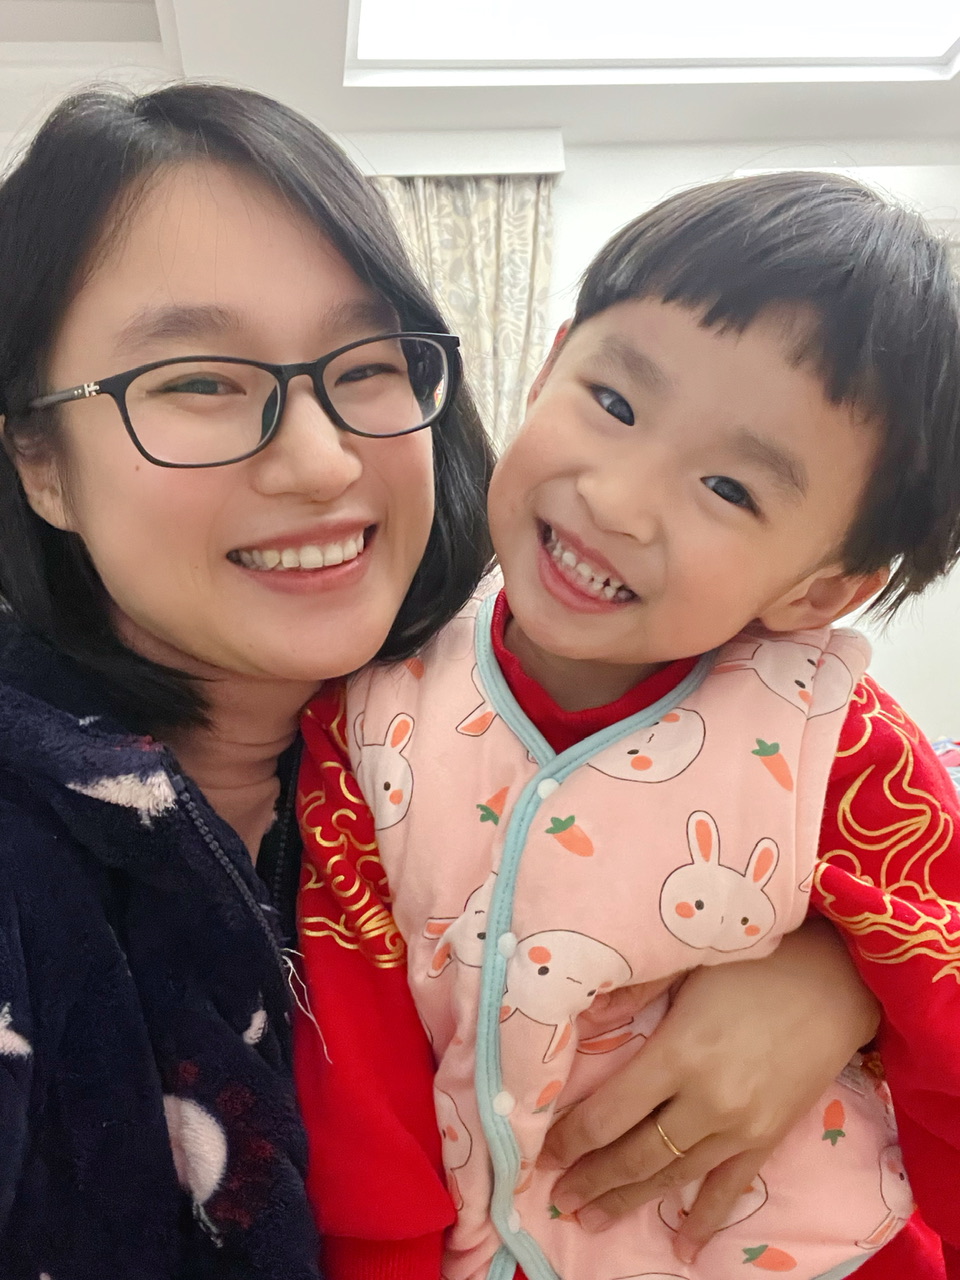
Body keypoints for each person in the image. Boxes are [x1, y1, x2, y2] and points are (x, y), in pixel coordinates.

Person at [0, 82, 880, 1279]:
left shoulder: (520, 702)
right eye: (199, 380)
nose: (320, 460)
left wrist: (843, 969)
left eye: (365, 364)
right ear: (39, 459)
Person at [296, 172, 960, 1280]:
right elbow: (352, 1047)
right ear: (549, 364)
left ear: (819, 589)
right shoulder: (370, 698)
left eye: (730, 488)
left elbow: (943, 997)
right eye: (612, 402)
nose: (617, 499)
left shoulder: (836, 745)